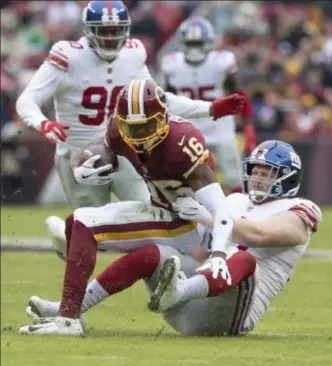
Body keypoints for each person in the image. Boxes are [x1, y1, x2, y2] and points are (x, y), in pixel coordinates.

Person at [20, 140, 322, 337]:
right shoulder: (235, 201)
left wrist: (206, 215)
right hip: (192, 306)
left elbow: (258, 235)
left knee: (241, 259)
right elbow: (203, 254)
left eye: (267, 173)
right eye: (255, 171)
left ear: (287, 178)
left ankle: (177, 291)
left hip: (231, 315)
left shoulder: (302, 210)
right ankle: (71, 309)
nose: (258, 178)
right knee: (155, 252)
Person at [15, 1, 245, 258]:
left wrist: (210, 108)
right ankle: (67, 241)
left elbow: (159, 99)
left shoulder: (133, 53)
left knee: (152, 217)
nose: (111, 37)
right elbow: (27, 100)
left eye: (116, 30)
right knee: (91, 231)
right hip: (81, 156)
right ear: (88, 30)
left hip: (124, 147)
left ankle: (167, 276)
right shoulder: (68, 55)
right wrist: (42, 122)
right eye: (104, 30)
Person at [19, 77, 235, 336]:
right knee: (77, 225)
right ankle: (68, 305)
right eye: (132, 128)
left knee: (83, 223)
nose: (139, 135)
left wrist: (219, 254)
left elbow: (221, 209)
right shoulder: (119, 128)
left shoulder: (182, 142)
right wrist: (81, 166)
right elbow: (100, 147)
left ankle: (68, 318)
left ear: (164, 118)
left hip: (184, 223)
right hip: (159, 209)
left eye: (146, 127)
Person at [160, 17, 257, 194]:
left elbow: (239, 95)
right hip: (188, 127)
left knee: (234, 176)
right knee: (183, 177)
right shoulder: (172, 64)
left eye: (199, 43)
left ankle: (238, 213)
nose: (195, 49)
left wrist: (248, 128)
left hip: (220, 125)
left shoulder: (221, 62)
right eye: (191, 43)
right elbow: (165, 100)